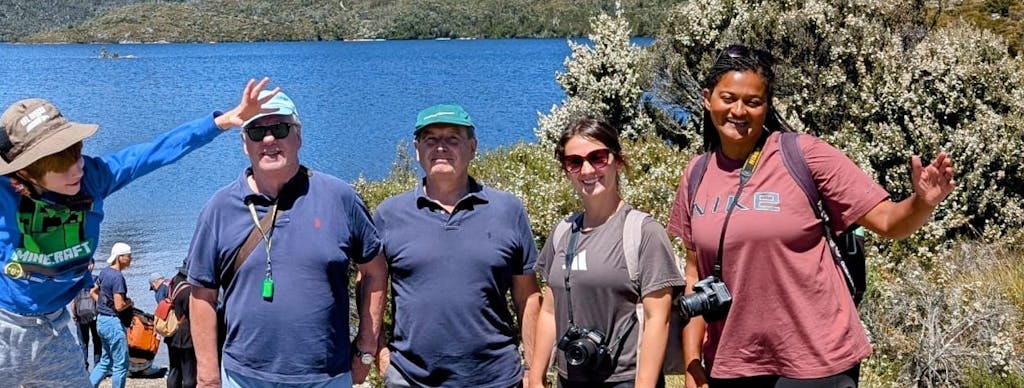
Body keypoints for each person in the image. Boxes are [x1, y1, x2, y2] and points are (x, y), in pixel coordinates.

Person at [0, 53, 282, 388]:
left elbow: (153, 154)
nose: (78, 166)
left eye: (76, 152)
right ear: (30, 168)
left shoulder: (95, 177)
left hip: (56, 326)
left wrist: (220, 122)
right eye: (62, 161)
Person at [669, 45, 957, 388]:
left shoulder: (803, 155)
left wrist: (921, 203)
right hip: (733, 363)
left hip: (816, 360)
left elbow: (888, 221)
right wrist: (692, 365)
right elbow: (694, 275)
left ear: (767, 105)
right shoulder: (697, 174)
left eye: (753, 102)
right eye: (728, 98)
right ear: (707, 99)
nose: (739, 111)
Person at [185, 91, 387, 388]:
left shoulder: (340, 198)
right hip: (243, 378)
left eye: (279, 128)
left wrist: (367, 348)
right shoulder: (219, 208)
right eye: (256, 131)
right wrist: (207, 375)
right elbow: (202, 295)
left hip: (326, 378)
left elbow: (375, 271)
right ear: (244, 144)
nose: (268, 140)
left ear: (298, 136)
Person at [373, 104, 540, 388]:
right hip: (411, 379)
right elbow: (372, 287)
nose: (441, 147)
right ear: (417, 150)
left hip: (496, 379)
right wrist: (380, 354)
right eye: (431, 139)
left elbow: (528, 297)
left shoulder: (507, 210)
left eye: (452, 138)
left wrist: (534, 371)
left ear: (472, 147)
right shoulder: (389, 214)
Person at [529, 116, 683, 388]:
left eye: (597, 158)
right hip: (570, 376)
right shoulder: (563, 232)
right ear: (566, 170)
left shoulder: (642, 232)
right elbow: (550, 311)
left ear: (618, 161)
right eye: (574, 162)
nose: (587, 170)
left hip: (624, 379)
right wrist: (536, 376)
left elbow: (657, 319)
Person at [91, 241, 136, 388]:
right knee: (121, 364)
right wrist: (130, 302)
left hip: (101, 321)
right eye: (128, 256)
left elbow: (93, 292)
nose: (130, 259)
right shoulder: (117, 277)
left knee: (105, 361)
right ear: (119, 257)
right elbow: (119, 305)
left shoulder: (104, 272)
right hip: (113, 323)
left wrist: (103, 306)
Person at [162, 266, 197, 388]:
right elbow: (193, 312)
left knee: (174, 370)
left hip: (172, 332)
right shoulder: (188, 289)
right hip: (186, 336)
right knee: (189, 374)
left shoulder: (173, 282)